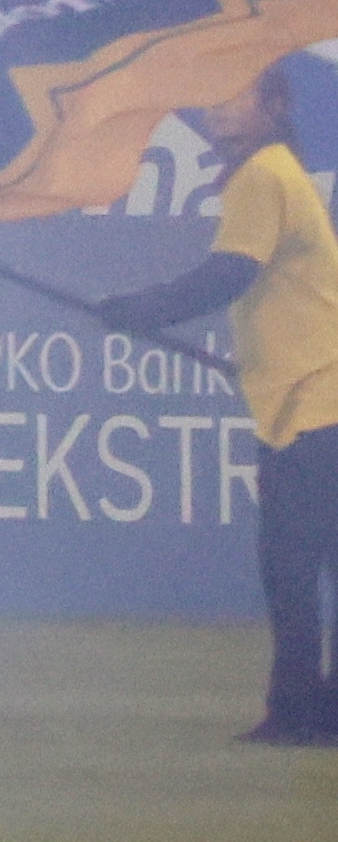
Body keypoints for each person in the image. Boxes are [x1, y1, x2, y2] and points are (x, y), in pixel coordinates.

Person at [90, 62, 337, 743]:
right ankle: (314, 712)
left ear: (273, 103)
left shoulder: (262, 173)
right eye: (211, 97)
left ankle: (298, 713)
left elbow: (228, 274)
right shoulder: (278, 170)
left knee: (290, 567)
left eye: (233, 95)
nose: (215, 108)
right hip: (312, 398)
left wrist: (140, 309)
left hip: (314, 403)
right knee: (308, 564)